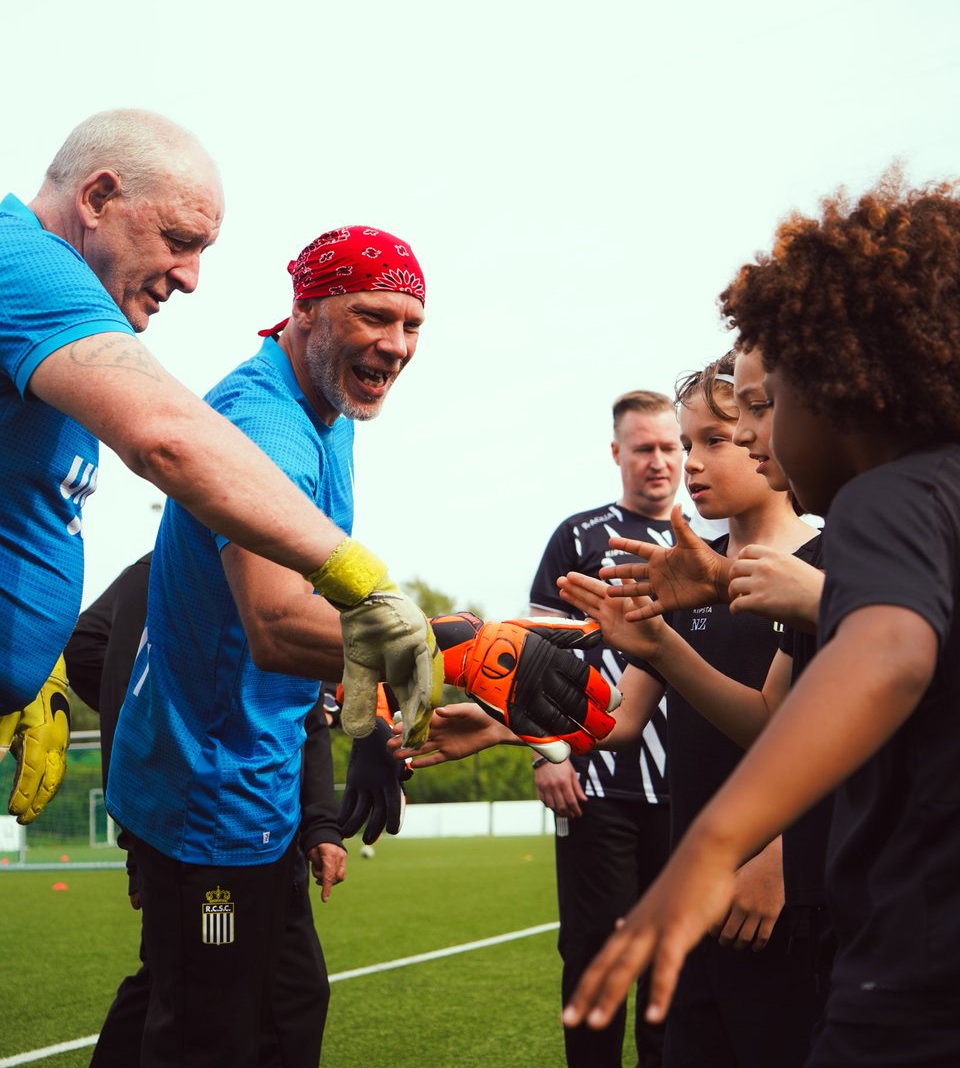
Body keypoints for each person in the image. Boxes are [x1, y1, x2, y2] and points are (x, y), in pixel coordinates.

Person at [103, 227, 614, 1068]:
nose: (396, 345)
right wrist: (461, 653)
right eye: (373, 315)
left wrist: (371, 722)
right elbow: (274, 625)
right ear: (304, 308)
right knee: (210, 1031)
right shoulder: (267, 425)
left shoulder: (329, 409)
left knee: (277, 1009)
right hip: (207, 805)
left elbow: (334, 598)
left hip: (258, 785)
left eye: (413, 325)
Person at [563, 171, 960, 1068]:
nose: (751, 438)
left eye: (767, 401)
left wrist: (714, 847)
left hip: (914, 967)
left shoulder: (884, 502)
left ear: (837, 386)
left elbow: (891, 651)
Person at [0, 110, 445, 824]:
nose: (192, 277)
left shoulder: (50, 315)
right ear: (96, 199)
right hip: (214, 802)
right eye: (179, 242)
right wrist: (363, 584)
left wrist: (35, 662)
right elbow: (168, 439)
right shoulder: (24, 265)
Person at [406, 356, 824, 1068]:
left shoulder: (821, 565)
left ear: (768, 430)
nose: (690, 463)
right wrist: (513, 728)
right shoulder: (685, 566)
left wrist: (782, 860)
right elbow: (621, 722)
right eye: (684, 443)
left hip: (776, 897)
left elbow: (805, 738)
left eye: (712, 441)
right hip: (694, 887)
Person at [65, 554, 345, 1067]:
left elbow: (305, 712)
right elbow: (90, 649)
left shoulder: (297, 570)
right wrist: (147, 785)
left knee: (292, 994)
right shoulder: (174, 571)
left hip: (269, 821)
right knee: (200, 1010)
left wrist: (322, 822)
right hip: (203, 823)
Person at [528, 389, 681, 1068]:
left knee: (676, 964)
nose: (660, 461)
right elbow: (531, 657)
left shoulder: (705, 540)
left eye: (670, 446)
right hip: (597, 786)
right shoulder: (580, 536)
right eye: (644, 447)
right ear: (617, 453)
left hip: (692, 793)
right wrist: (550, 751)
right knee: (597, 952)